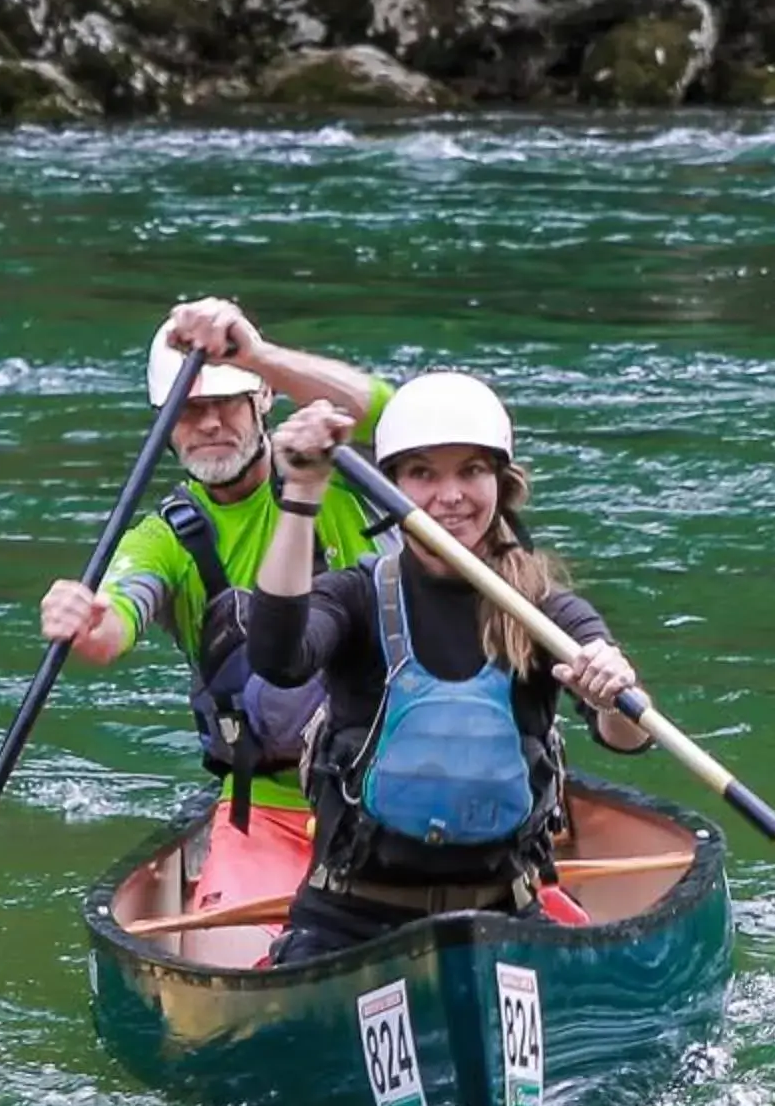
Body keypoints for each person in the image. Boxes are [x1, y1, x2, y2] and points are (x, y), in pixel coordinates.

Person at [246, 371, 650, 965]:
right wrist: (301, 494)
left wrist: (616, 691)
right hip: (350, 921)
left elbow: (628, 738)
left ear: (501, 484)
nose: (450, 495)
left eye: (471, 471)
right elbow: (278, 661)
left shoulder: (543, 609)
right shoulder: (357, 596)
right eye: (423, 474)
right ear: (392, 487)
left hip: (500, 915)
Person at [37, 297, 389, 905]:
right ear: (164, 425)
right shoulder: (161, 540)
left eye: (226, 402)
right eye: (189, 411)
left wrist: (256, 355)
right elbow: (112, 625)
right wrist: (85, 623)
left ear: (263, 401)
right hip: (267, 812)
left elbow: (386, 409)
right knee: (246, 955)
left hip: (395, 791)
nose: (207, 424)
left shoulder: (336, 468)